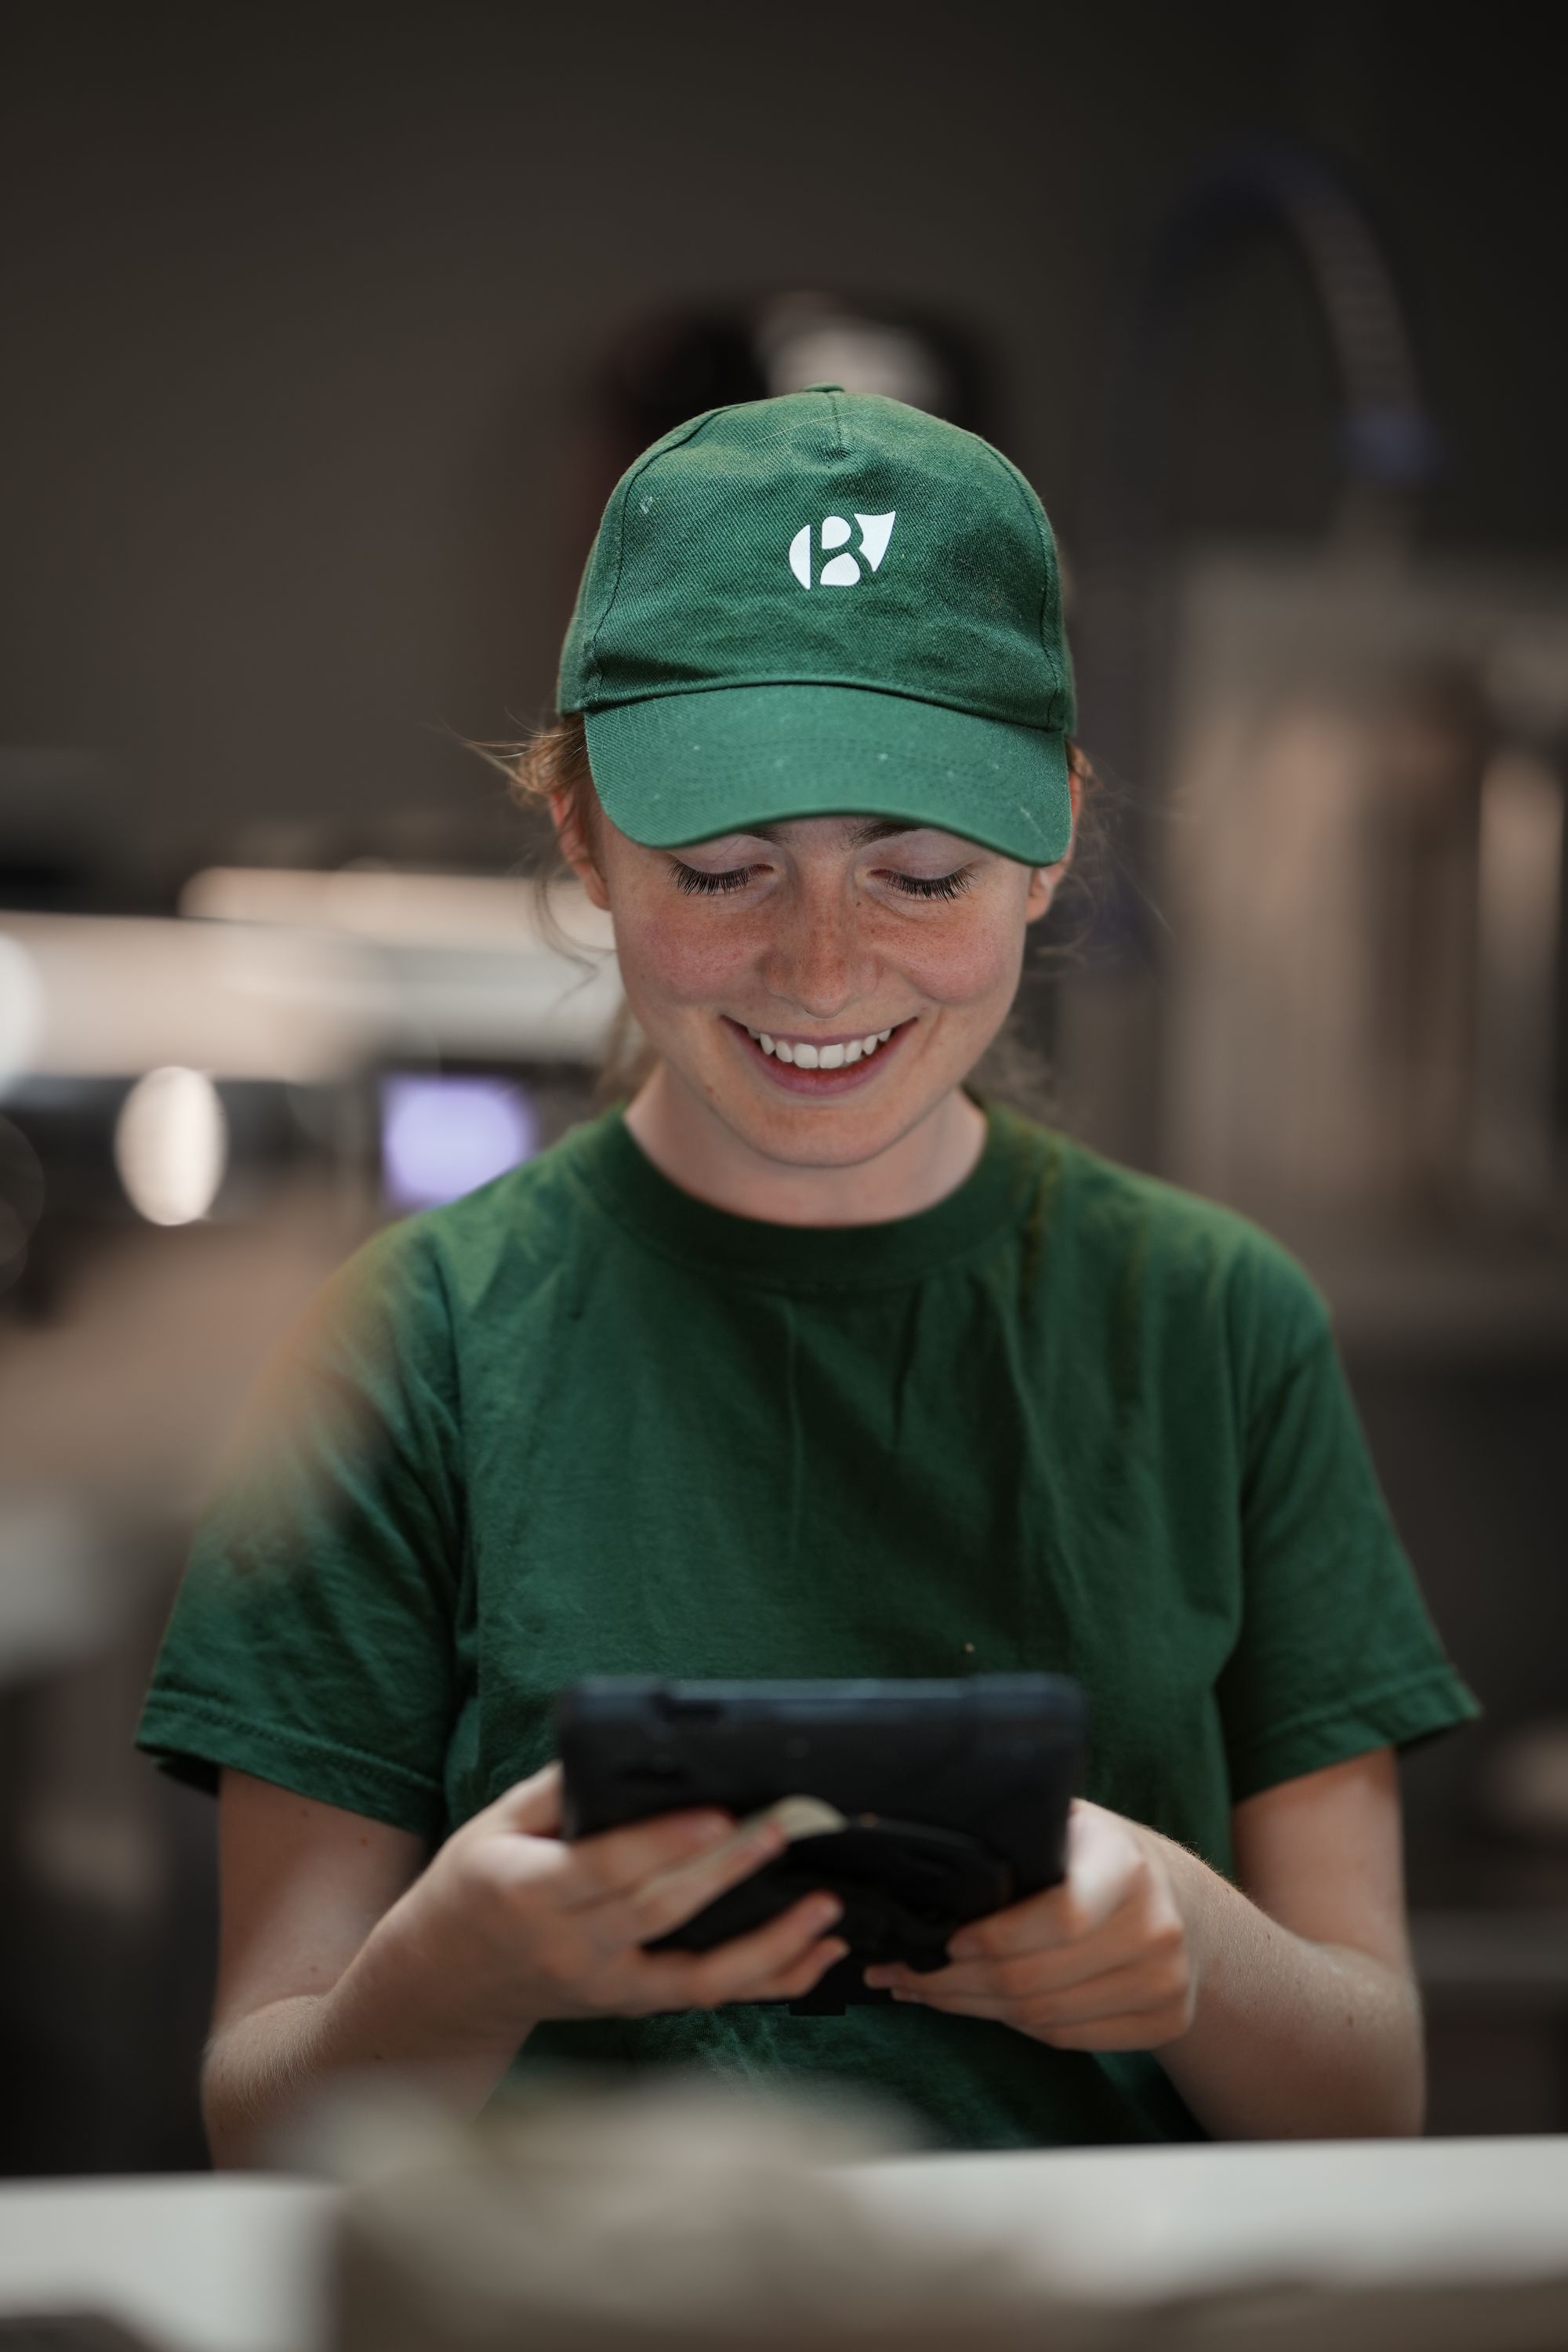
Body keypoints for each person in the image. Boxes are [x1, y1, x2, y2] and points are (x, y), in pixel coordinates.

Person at [135, 386, 1481, 2165]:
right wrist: (451, 1972)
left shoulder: (1214, 1323)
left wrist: (1190, 1951)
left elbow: (1367, 2099)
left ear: (1053, 839)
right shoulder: (414, 1344)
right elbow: (267, 2119)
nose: (825, 969)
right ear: (581, 834)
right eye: (723, 869)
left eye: (919, 874)